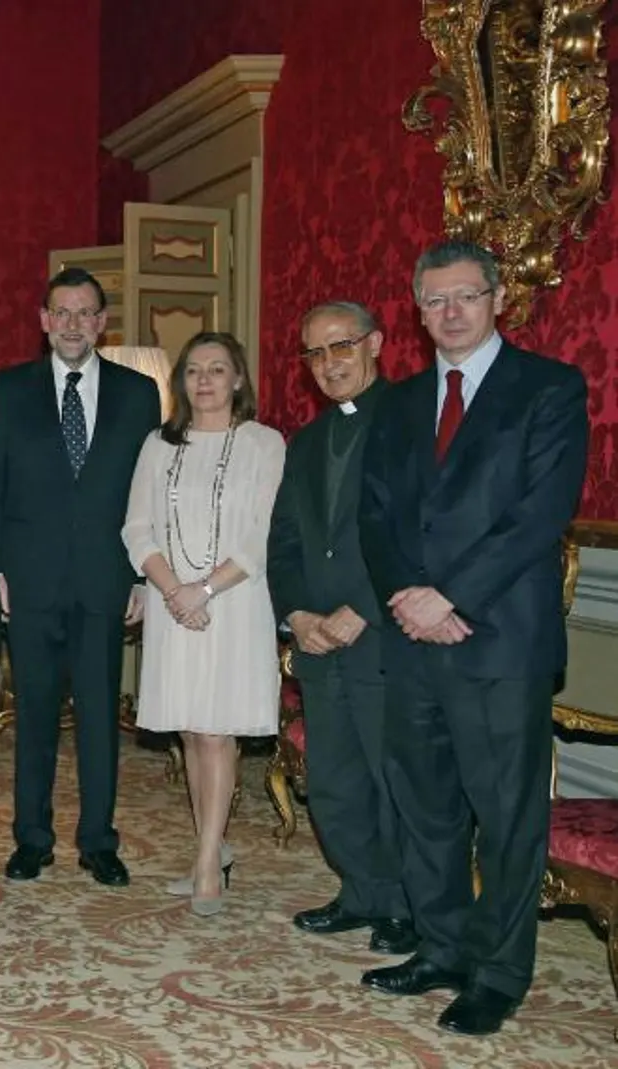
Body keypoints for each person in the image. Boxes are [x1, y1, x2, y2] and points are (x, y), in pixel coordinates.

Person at [357, 239, 588, 1036]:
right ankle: (442, 945)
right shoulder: (398, 400)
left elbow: (540, 514)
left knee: (506, 815)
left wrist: (449, 596)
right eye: (433, 300)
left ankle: (498, 972)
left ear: (496, 299)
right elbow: (375, 515)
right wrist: (406, 598)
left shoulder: (549, 388)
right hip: (412, 637)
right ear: (416, 311)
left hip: (498, 640)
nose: (449, 312)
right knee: (424, 807)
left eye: (464, 296)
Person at [0, 267, 158, 887]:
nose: (74, 324)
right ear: (44, 320)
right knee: (35, 716)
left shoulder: (139, 394)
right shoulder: (10, 388)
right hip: (28, 581)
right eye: (62, 312)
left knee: (102, 717)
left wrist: (140, 576)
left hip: (107, 580)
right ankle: (32, 838)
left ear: (104, 322)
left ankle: (99, 841)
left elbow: (146, 494)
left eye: (86, 313)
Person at [267, 302, 416, 954]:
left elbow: (418, 530)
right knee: (333, 776)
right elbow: (285, 541)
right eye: (315, 352)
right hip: (320, 641)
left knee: (394, 777)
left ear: (376, 344)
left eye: (341, 346)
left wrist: (363, 606)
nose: (329, 363)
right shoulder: (304, 442)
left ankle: (407, 905)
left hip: (382, 634)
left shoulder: (411, 423)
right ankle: (360, 891)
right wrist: (297, 613)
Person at [120, 332, 284, 915]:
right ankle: (209, 846)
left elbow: (262, 533)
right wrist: (172, 590)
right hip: (173, 608)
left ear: (239, 379)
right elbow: (137, 527)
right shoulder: (159, 445)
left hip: (235, 603)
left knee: (219, 732)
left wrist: (205, 589)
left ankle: (208, 861)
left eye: (218, 370)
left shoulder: (265, 444)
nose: (205, 381)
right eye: (194, 371)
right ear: (181, 383)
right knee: (190, 730)